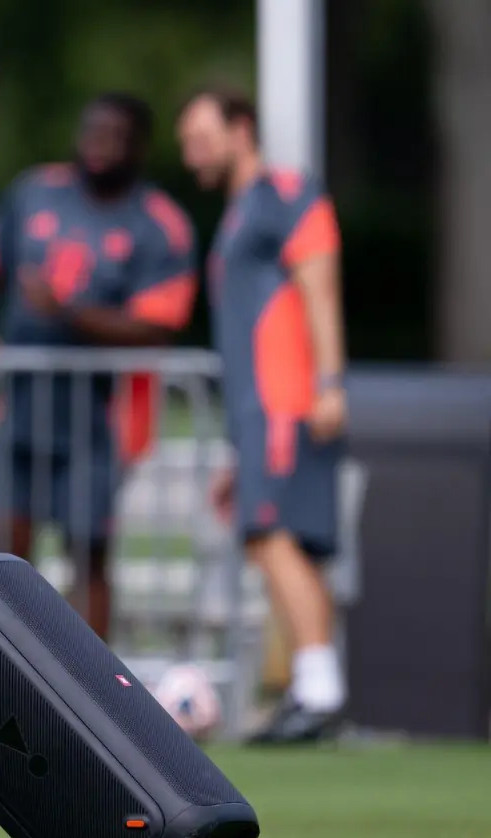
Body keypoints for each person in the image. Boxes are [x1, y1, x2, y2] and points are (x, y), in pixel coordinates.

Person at [0, 93, 197, 640]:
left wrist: (69, 314)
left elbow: (158, 325)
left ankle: (88, 689)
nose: (98, 145)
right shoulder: (35, 190)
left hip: (97, 417)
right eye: (91, 131)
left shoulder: (159, 223)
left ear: (138, 146)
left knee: (90, 552)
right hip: (19, 404)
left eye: (114, 136)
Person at [177, 86, 348, 744]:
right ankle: (311, 685)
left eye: (201, 136)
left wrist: (327, 381)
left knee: (272, 537)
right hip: (257, 408)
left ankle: (320, 690)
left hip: (285, 397)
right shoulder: (241, 209)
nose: (193, 154)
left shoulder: (282, 192)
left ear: (241, 128)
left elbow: (318, 282)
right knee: (277, 540)